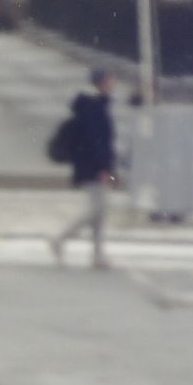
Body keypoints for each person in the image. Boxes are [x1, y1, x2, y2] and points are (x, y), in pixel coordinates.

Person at [50, 68, 117, 269]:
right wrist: (104, 168)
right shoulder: (94, 107)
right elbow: (97, 141)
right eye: (110, 79)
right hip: (92, 166)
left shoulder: (94, 105)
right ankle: (61, 239)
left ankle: (97, 255)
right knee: (98, 210)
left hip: (90, 164)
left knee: (100, 212)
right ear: (102, 82)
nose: (113, 84)